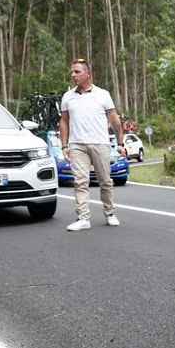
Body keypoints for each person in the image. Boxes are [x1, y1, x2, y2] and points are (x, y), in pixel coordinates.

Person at [59, 58, 125, 231]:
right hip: (77, 144)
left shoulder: (103, 94)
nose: (73, 75)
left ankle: (110, 213)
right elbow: (64, 122)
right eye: (72, 72)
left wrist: (120, 142)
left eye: (77, 72)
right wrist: (64, 145)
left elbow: (114, 120)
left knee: (105, 181)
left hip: (100, 143)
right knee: (80, 182)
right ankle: (83, 218)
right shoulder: (68, 97)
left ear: (88, 74)